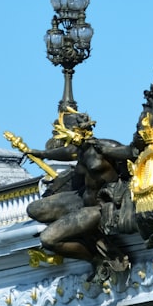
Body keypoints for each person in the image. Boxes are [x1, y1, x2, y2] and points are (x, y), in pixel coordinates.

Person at [24, 109, 135, 270]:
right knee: (33, 209)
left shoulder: (105, 146)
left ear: (77, 132)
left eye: (65, 135)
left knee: (48, 239)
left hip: (99, 207)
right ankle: (80, 234)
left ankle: (94, 258)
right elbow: (67, 152)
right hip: (81, 198)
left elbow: (131, 153)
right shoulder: (80, 150)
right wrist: (41, 154)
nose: (63, 140)